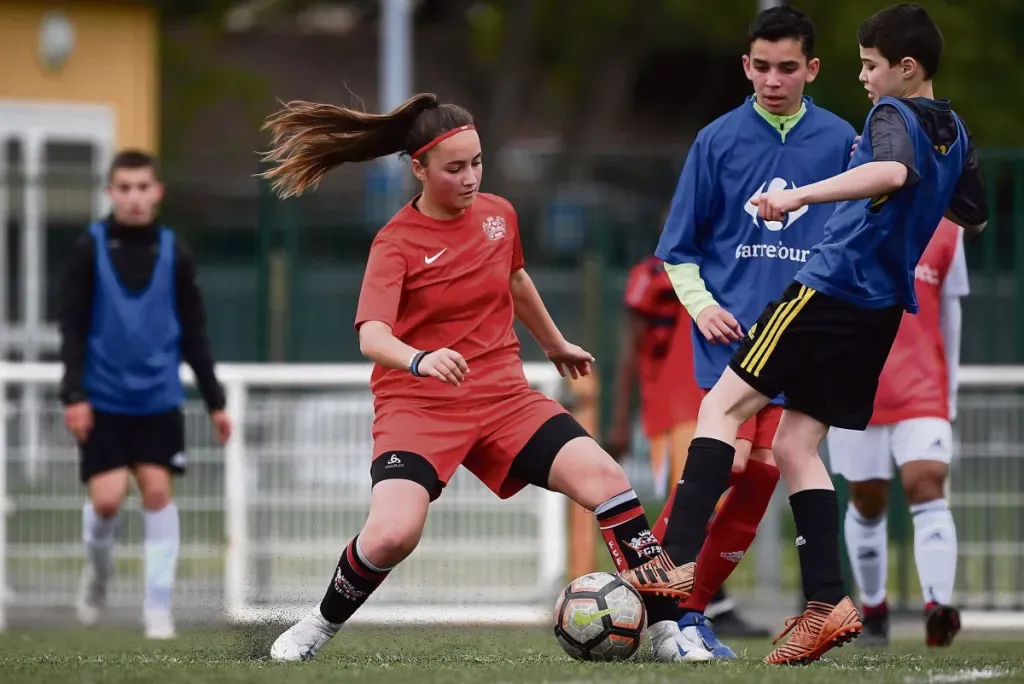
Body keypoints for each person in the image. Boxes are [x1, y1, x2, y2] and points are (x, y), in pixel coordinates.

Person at [259, 93, 708, 663]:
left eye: (477, 163)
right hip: (418, 406)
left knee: (609, 481)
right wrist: (420, 359)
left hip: (503, 399)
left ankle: (667, 633)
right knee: (393, 534)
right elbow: (372, 336)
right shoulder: (395, 242)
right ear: (419, 168)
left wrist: (554, 343)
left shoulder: (500, 215)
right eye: (454, 168)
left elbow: (514, 278)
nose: (470, 178)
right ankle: (315, 627)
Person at [622, 3, 988, 665]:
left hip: (828, 288)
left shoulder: (889, 115)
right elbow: (974, 213)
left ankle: (671, 566)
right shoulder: (955, 129)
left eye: (871, 66)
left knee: (720, 408)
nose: (864, 77)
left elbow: (891, 172)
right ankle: (826, 601)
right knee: (796, 445)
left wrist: (799, 196)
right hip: (880, 310)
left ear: (907, 68)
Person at [620, 5, 857, 658]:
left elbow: (852, 236)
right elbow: (678, 250)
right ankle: (654, 601)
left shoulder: (841, 141)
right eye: (762, 67)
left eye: (788, 68)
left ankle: (690, 613)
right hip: (728, 340)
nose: (773, 80)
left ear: (811, 69)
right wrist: (701, 308)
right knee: (726, 466)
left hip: (800, 339)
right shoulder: (716, 140)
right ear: (745, 66)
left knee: (762, 477)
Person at [59, 150, 233, 639]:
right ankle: (97, 578)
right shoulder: (88, 248)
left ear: (157, 192)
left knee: (157, 492)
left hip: (158, 398)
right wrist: (74, 395)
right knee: (107, 500)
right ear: (110, 192)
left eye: (142, 187)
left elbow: (195, 332)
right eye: (124, 188)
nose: (134, 197)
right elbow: (71, 327)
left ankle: (158, 608)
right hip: (103, 398)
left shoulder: (175, 251)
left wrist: (215, 401)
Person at [609, 250, 768, 638]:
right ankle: (663, 597)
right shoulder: (652, 274)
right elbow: (630, 348)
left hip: (724, 398)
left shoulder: (741, 263)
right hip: (673, 408)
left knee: (718, 502)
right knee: (696, 504)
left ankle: (700, 603)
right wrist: (620, 418)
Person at [827, 218, 968, 648]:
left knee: (927, 482)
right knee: (867, 500)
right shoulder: (838, 215)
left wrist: (949, 391)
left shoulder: (948, 229)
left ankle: (937, 605)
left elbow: (951, 312)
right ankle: (874, 610)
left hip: (923, 387)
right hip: (854, 386)